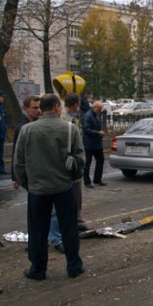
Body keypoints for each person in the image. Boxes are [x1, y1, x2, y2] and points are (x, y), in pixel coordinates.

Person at [14, 93, 85, 280]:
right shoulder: (70, 129)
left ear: (42, 108)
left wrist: (28, 184)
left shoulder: (27, 130)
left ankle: (38, 269)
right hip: (63, 187)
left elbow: (19, 162)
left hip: (38, 189)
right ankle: (74, 266)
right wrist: (73, 178)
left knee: (38, 230)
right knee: (69, 228)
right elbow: (80, 159)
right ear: (55, 108)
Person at [50, 93, 89, 253]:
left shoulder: (75, 119)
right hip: (66, 167)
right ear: (75, 104)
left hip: (75, 166)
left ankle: (77, 221)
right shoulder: (64, 122)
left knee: (77, 198)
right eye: (78, 104)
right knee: (61, 204)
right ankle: (59, 235)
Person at [12, 95, 41, 188]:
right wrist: (15, 177)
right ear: (25, 109)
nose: (38, 111)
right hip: (30, 172)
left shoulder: (43, 125)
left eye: (40, 107)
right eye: (35, 108)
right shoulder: (21, 128)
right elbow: (16, 153)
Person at [82, 101, 106, 188]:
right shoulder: (88, 116)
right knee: (87, 163)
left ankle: (97, 179)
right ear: (95, 107)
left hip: (97, 143)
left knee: (100, 160)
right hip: (89, 144)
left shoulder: (96, 115)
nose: (100, 111)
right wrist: (98, 133)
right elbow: (86, 129)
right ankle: (87, 181)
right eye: (99, 109)